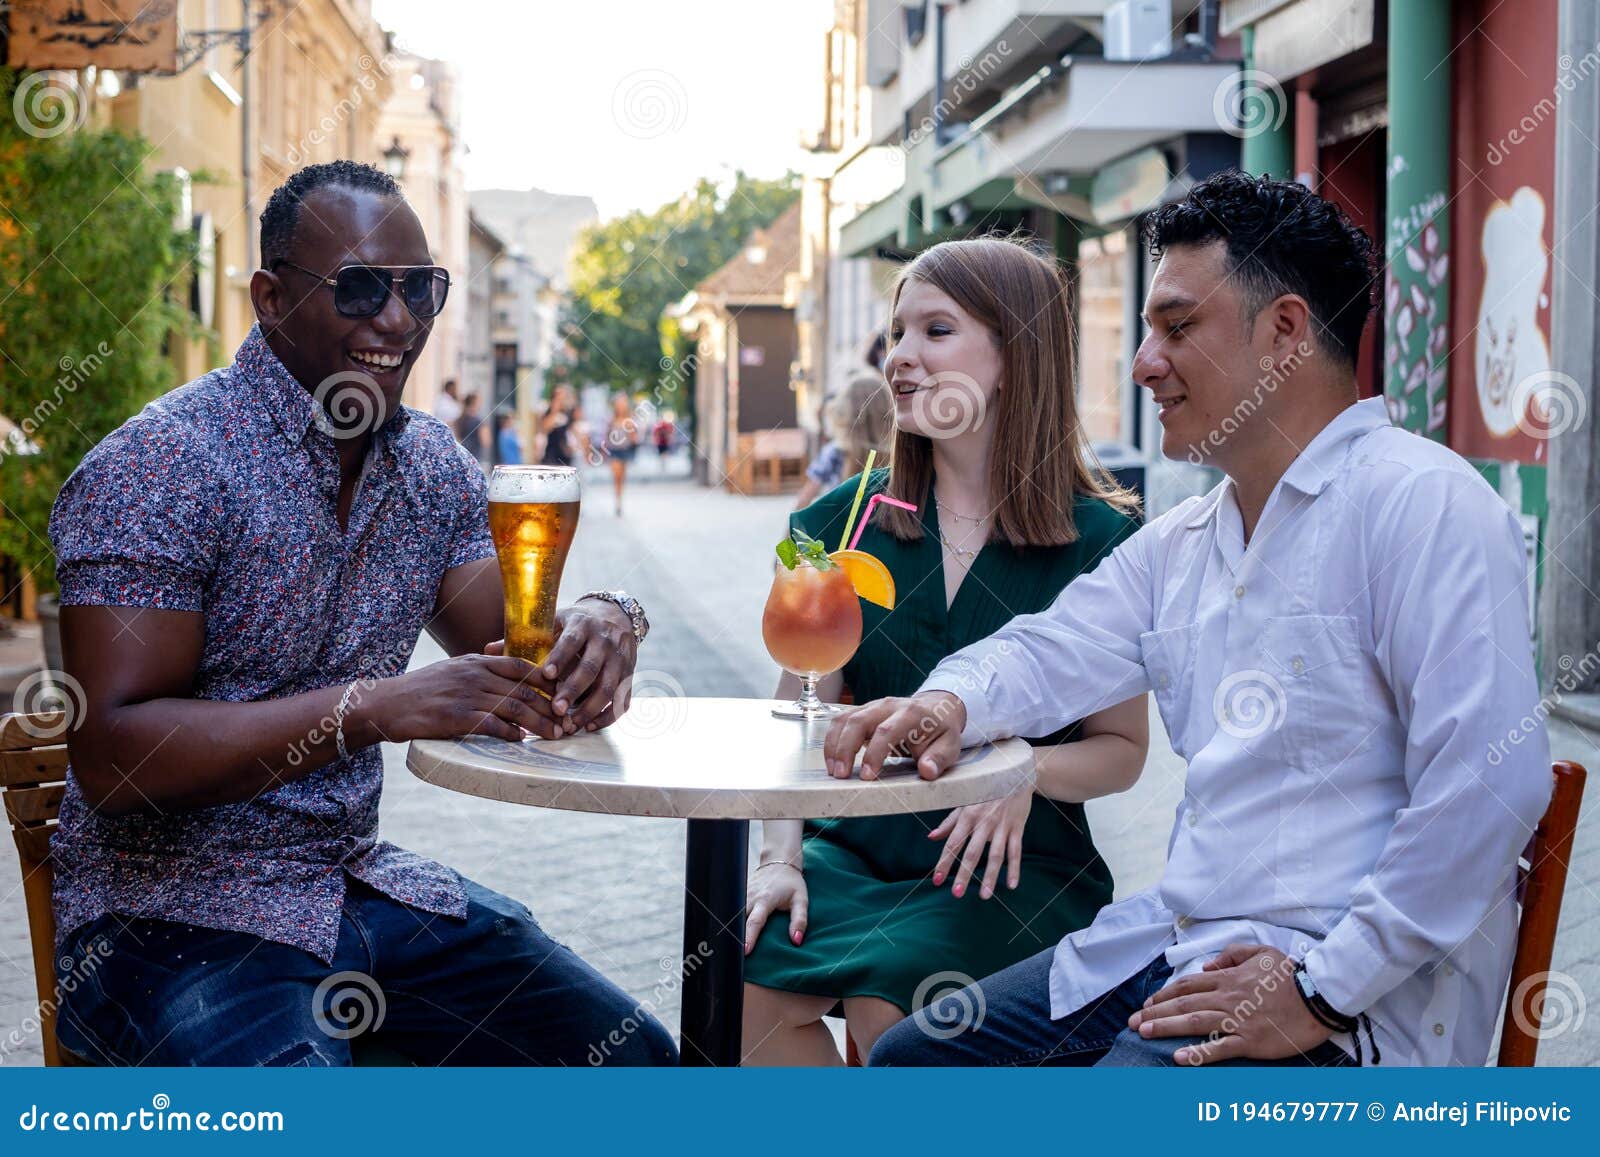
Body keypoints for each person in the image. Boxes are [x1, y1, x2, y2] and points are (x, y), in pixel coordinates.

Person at [828, 172, 1553, 1068]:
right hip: (1176, 945)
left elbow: (1491, 782)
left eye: (1176, 327)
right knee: (912, 1059)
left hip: (1344, 1000)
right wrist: (946, 705)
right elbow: (1052, 647)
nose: (1142, 363)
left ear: (1285, 332)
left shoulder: (1422, 504)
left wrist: (1323, 989)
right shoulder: (1189, 537)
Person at [46, 160, 670, 1067]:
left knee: (633, 1063)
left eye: (420, 289)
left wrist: (606, 622)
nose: (397, 318)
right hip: (162, 922)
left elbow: (520, 656)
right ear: (269, 297)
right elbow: (113, 756)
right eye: (362, 288)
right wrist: (370, 707)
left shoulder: (428, 465)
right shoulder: (160, 466)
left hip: (351, 892)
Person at [741, 237, 1149, 1065]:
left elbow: (1123, 753)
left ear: (1014, 353)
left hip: (1011, 866)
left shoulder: (1105, 543)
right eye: (895, 334)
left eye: (935, 331)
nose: (899, 357)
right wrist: (778, 859)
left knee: (892, 1005)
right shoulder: (838, 527)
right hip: (851, 850)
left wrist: (1022, 769)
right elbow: (794, 717)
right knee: (740, 984)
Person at [791, 372, 895, 511]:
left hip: (843, 528)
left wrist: (789, 532)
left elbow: (804, 498)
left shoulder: (835, 452)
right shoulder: (899, 453)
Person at [603, 393, 640, 516]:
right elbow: (606, 436)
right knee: (616, 475)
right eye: (619, 403)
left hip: (625, 450)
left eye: (623, 403)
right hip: (614, 451)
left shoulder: (630, 420)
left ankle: (619, 500)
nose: (621, 406)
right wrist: (604, 450)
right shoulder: (611, 420)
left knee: (622, 478)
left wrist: (632, 430)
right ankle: (617, 500)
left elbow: (635, 439)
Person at [539, 384, 585, 467]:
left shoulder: (568, 412)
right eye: (557, 395)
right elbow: (545, 429)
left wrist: (578, 446)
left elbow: (574, 430)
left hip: (565, 455)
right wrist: (554, 410)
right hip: (551, 455)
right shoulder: (548, 412)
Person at [455, 391, 488, 467]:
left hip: (463, 455)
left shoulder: (459, 418)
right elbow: (485, 441)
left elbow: (457, 437)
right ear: (474, 402)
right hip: (476, 457)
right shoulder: (479, 421)